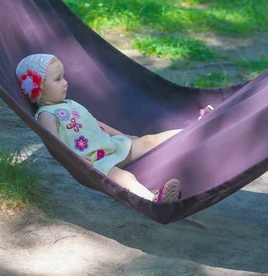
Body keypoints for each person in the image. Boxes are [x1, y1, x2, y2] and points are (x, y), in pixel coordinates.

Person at [16, 54, 213, 202]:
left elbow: (97, 124)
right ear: (37, 89)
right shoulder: (46, 115)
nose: (65, 82)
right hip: (95, 162)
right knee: (124, 177)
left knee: (148, 140)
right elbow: (54, 142)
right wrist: (72, 159)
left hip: (112, 145)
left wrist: (124, 136)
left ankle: (194, 130)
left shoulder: (68, 103)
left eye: (64, 77)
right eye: (58, 80)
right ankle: (155, 200)